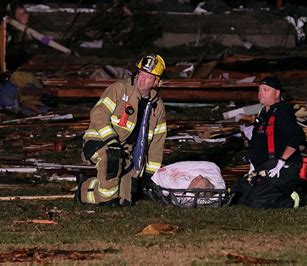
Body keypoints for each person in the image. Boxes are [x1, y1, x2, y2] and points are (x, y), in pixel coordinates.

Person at [76, 54, 167, 206]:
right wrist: (110, 139)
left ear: (157, 82)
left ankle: (88, 184)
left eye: (148, 77)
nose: (141, 79)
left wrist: (150, 174)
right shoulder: (119, 89)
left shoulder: (157, 107)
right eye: (140, 74)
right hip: (99, 142)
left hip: (127, 154)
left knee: (126, 199)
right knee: (111, 160)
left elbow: (157, 143)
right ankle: (89, 194)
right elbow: (98, 114)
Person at [235, 76, 307, 208]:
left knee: (256, 202)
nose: (260, 93)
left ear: (277, 93)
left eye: (265, 90)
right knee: (239, 195)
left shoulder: (282, 111)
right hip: (264, 168)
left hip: (282, 169)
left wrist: (282, 161)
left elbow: (298, 136)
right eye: (259, 90)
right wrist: (253, 165)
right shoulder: (264, 112)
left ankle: (297, 197)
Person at [149, 161, 227, 207]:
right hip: (209, 167)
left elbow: (162, 175)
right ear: (200, 176)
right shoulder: (214, 177)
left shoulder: (177, 186)